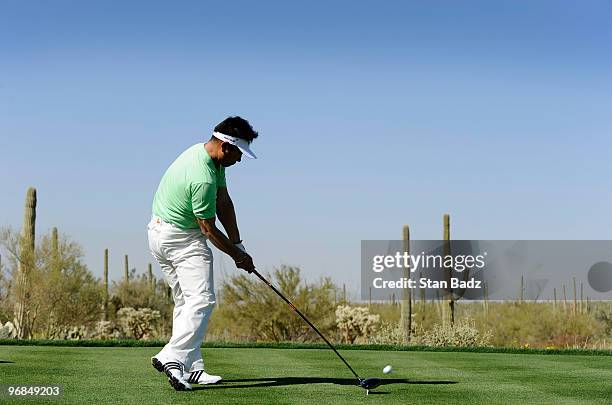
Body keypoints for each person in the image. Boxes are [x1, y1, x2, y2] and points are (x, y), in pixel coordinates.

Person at [147, 116, 258, 391]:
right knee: (203, 301)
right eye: (239, 154)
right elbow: (208, 229)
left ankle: (193, 367)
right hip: (181, 240)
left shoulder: (206, 156)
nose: (240, 160)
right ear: (225, 146)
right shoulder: (202, 177)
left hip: (158, 233)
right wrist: (237, 257)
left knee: (186, 301)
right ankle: (173, 357)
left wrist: (238, 244)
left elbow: (224, 201)